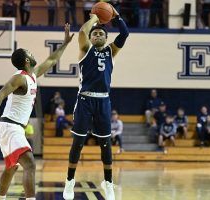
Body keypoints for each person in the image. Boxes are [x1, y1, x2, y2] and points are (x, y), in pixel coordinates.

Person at [0, 24, 74, 200]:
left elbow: (52, 60)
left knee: (12, 167)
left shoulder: (33, 75)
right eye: (29, 52)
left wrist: (64, 44)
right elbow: (0, 94)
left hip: (13, 127)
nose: (32, 53)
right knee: (30, 164)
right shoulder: (20, 78)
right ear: (26, 60)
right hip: (10, 125)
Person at [63, 6, 129, 200]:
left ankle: (108, 183)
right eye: (96, 33)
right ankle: (69, 181)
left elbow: (125, 33)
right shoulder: (85, 49)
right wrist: (93, 18)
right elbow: (82, 32)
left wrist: (115, 16)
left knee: (105, 144)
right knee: (78, 143)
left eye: (101, 33)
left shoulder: (111, 51)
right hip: (84, 100)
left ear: (105, 38)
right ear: (92, 38)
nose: (98, 34)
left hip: (103, 101)